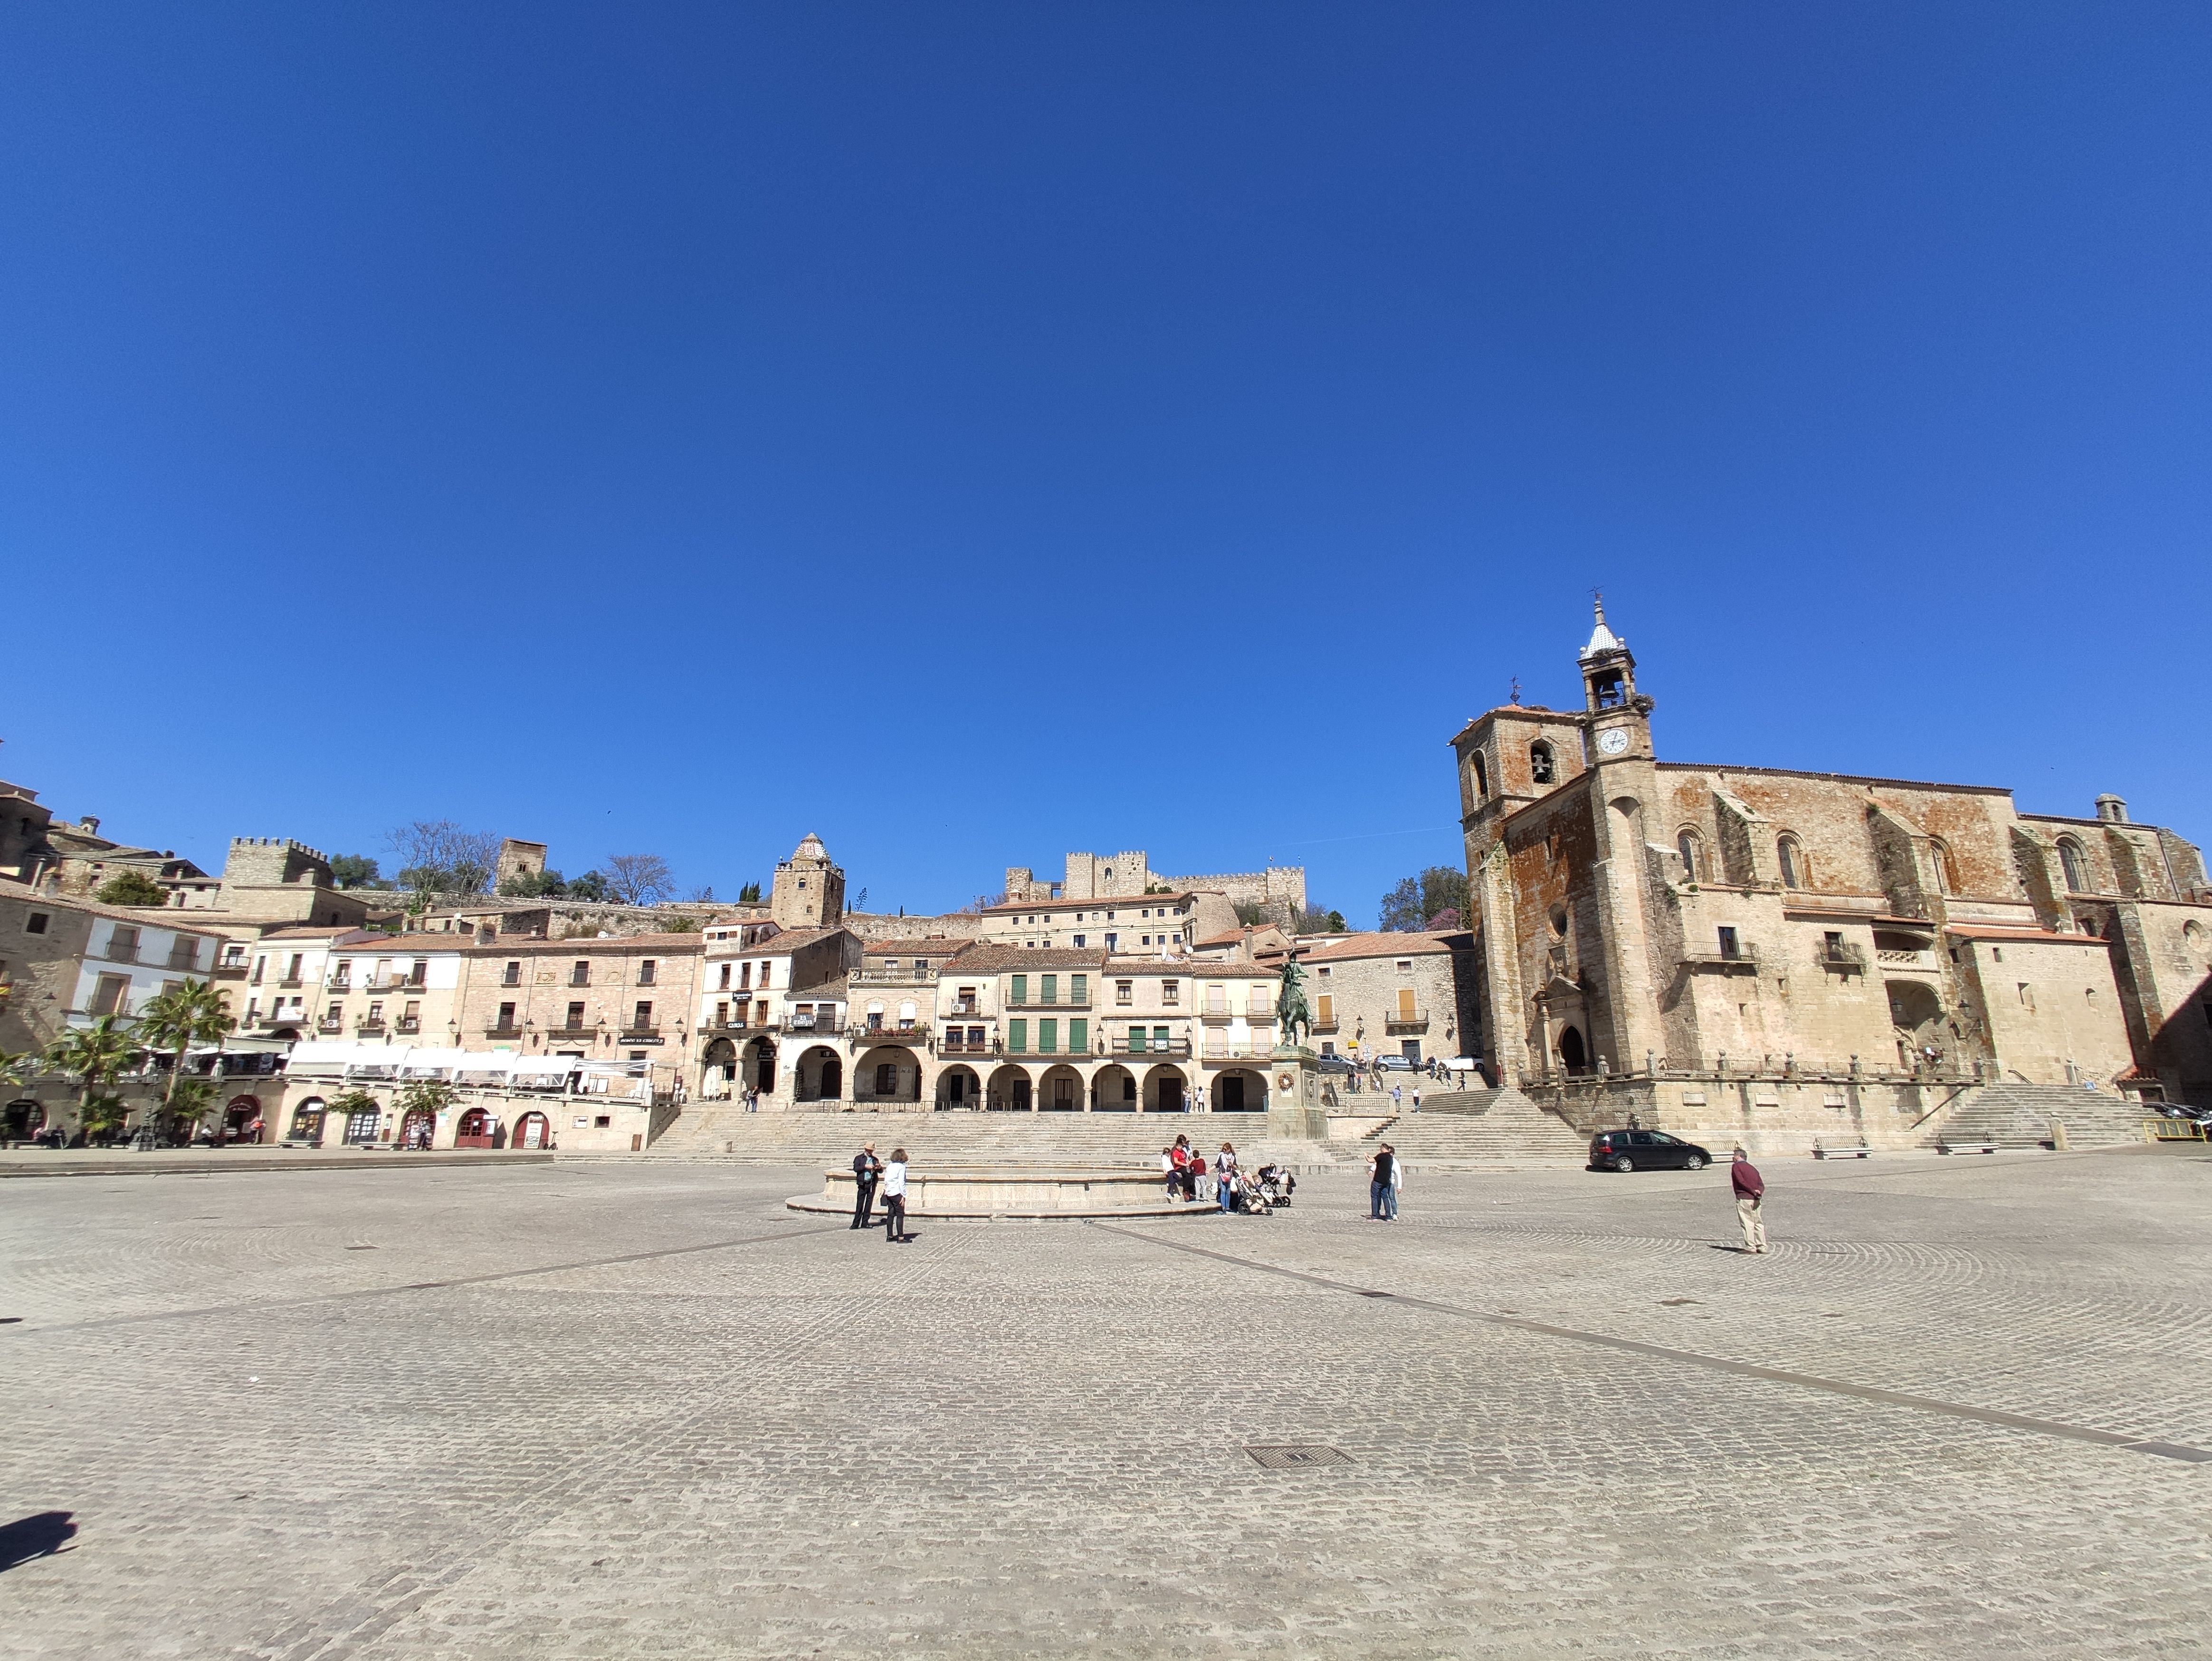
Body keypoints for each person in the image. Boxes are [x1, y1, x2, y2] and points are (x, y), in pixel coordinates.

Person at [1731, 1146, 1767, 1253]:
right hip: (1756, 1198)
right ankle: (1762, 1246)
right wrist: (1759, 1192)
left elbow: (1741, 1182)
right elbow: (1761, 1184)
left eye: (1734, 1156)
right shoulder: (1752, 1168)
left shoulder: (1736, 1167)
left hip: (1745, 1197)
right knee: (1758, 1222)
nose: (1733, 1158)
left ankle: (1751, 1246)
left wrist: (1752, 1191)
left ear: (1738, 1157)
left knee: (1747, 1222)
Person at [850, 1142, 882, 1230]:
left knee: (869, 1204)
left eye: (872, 1150)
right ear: (866, 1150)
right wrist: (865, 1166)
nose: (871, 1152)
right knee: (860, 1204)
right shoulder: (859, 1158)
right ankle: (856, 1223)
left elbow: (881, 1171)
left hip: (871, 1183)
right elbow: (856, 1169)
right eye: (869, 1150)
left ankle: (865, 1222)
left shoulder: (875, 1159)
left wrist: (878, 1168)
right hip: (862, 1183)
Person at [882, 1146, 910, 1243]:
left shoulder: (890, 1166)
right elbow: (901, 1182)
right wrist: (904, 1195)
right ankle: (901, 1237)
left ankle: (890, 1236)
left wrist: (887, 1190)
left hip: (889, 1193)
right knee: (900, 1215)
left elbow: (886, 1180)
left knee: (891, 1214)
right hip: (897, 1193)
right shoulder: (901, 1167)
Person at [1369, 1143, 1395, 1220]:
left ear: (1383, 1149)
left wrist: (1366, 1156)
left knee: (1374, 1197)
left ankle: (1375, 1215)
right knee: (1385, 1197)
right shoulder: (1390, 1158)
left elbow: (1370, 1160)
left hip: (1378, 1180)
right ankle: (1388, 1216)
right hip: (1386, 1181)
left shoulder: (1381, 1156)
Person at [1215, 1142, 1239, 1213]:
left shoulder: (1233, 1157)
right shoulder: (1221, 1156)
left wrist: (1232, 1165)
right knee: (1223, 1190)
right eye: (1223, 1149)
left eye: (1226, 1150)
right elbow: (1217, 1164)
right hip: (1222, 1175)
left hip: (1229, 1175)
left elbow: (1236, 1166)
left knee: (1228, 1191)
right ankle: (1224, 1207)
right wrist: (1210, 1170)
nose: (1224, 1151)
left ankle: (1228, 1207)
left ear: (1229, 1150)